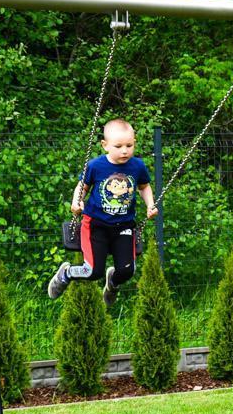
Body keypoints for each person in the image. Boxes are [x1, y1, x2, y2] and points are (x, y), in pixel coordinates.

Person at [47, 118, 158, 307]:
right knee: (92, 271)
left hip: (124, 225)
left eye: (129, 145)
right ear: (105, 145)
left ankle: (112, 284)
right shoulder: (96, 166)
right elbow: (82, 187)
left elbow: (144, 187)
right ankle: (66, 274)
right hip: (95, 225)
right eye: (118, 146)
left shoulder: (137, 166)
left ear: (134, 143)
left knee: (127, 271)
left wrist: (150, 205)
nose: (124, 150)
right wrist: (76, 202)